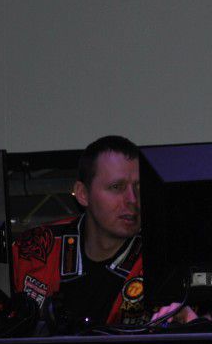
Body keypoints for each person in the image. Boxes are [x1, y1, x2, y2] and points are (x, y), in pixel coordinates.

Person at [8, 135, 147, 328]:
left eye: (140, 187)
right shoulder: (33, 249)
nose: (133, 199)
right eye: (117, 187)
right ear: (83, 194)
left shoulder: (163, 257)